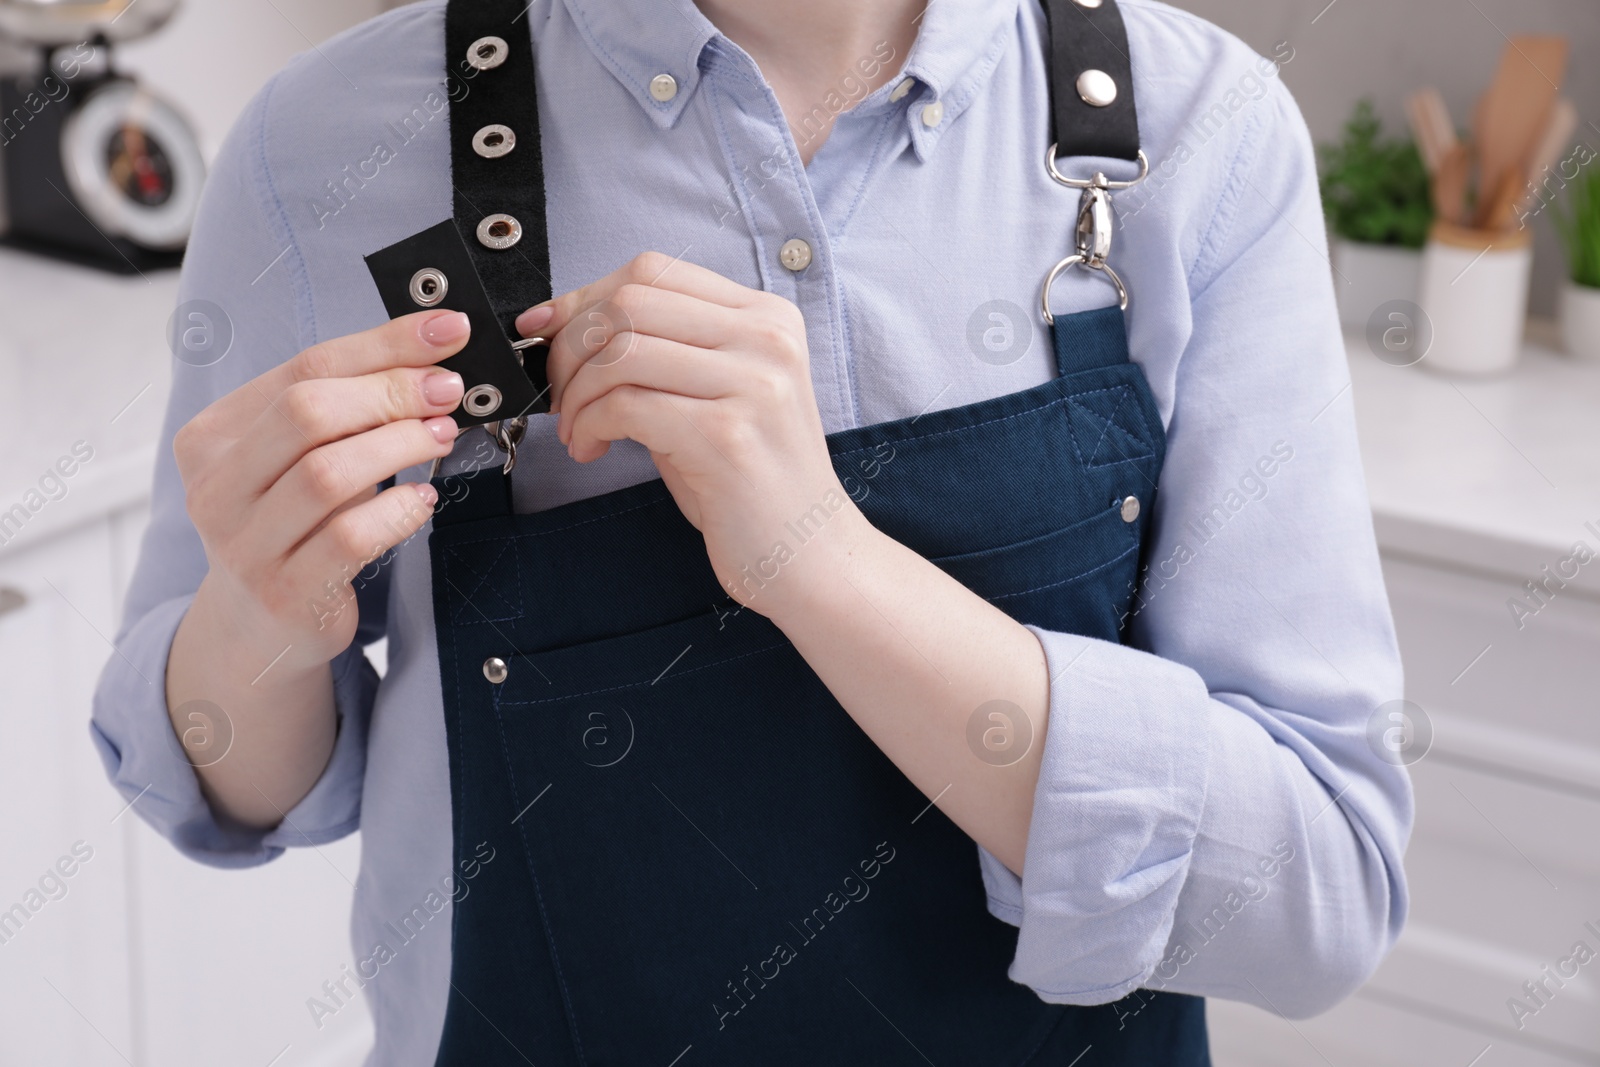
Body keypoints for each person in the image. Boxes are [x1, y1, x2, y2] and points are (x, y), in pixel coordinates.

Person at [92, 0, 1410, 1063]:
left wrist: (815, 556)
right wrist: (259, 613)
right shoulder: (322, 148)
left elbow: (1317, 895)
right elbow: (219, 790)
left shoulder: (1204, 133)